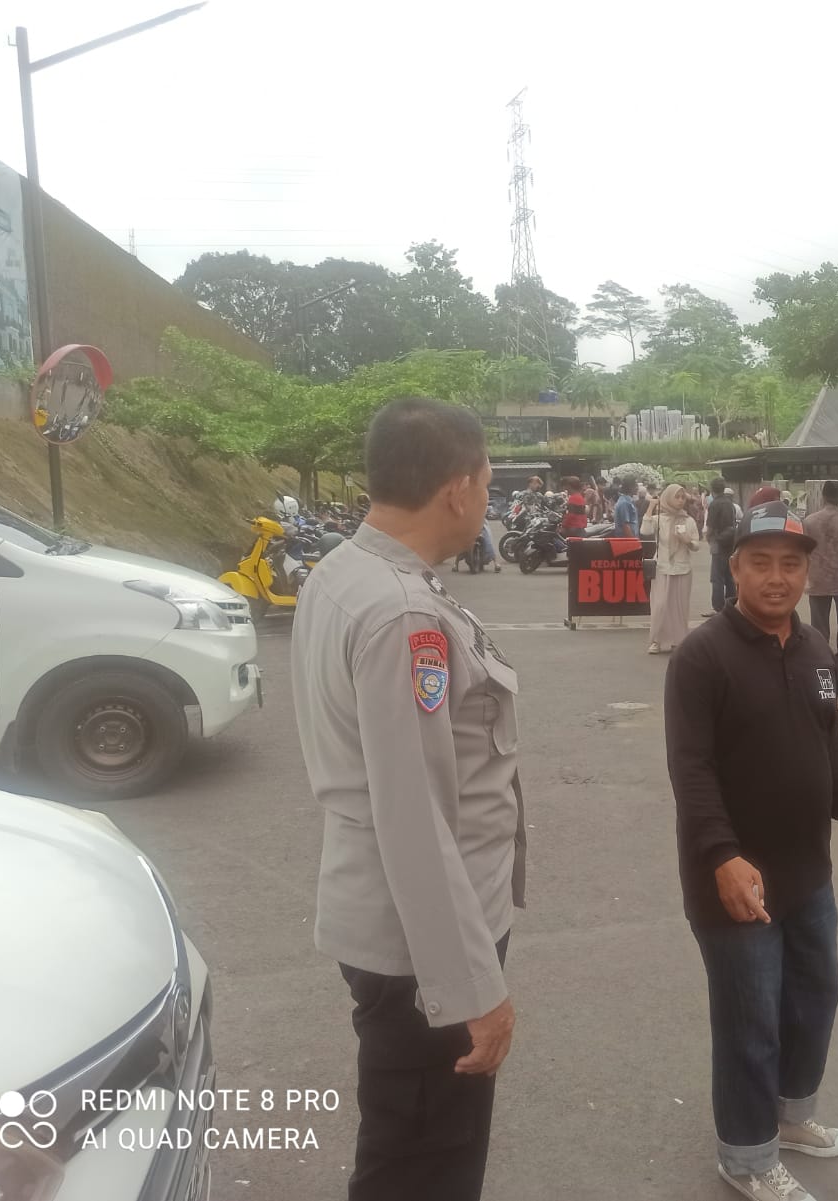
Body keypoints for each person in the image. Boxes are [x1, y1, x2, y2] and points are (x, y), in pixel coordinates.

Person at [291, 398, 525, 1200]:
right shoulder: (403, 613)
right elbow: (415, 818)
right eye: (486, 484)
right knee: (425, 1163)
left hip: (396, 923)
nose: (487, 501)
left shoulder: (348, 571)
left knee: (409, 1144)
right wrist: (471, 989)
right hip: (424, 945)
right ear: (458, 489)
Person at [664, 499, 838, 1201]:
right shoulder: (703, 656)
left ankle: (788, 1118)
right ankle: (746, 1157)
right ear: (735, 569)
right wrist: (721, 856)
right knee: (749, 1020)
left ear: (807, 571)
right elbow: (691, 770)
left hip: (807, 871)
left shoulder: (815, 647)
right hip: (734, 879)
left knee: (814, 997)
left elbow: (827, 739)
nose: (777, 577)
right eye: (761, 563)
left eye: (791, 563)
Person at [644, 484, 703, 654]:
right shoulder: (659, 519)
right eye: (676, 497)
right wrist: (651, 506)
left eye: (683, 497)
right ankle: (656, 640)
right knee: (660, 605)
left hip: (682, 568)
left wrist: (687, 541)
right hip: (662, 567)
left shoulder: (688, 520)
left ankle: (679, 640)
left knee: (680, 607)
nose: (680, 500)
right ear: (668, 498)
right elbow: (645, 530)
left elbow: (696, 545)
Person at [803, 479, 838, 649]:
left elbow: (804, 552)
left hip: (817, 578)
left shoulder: (809, 521)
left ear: (823, 497)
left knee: (819, 627)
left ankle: (820, 656)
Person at [706, 478, 740, 612]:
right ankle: (730, 604)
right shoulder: (730, 503)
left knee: (717, 577)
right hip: (731, 542)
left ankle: (718, 606)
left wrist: (708, 538)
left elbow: (710, 526)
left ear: (712, 489)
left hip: (718, 542)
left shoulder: (714, 504)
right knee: (729, 575)